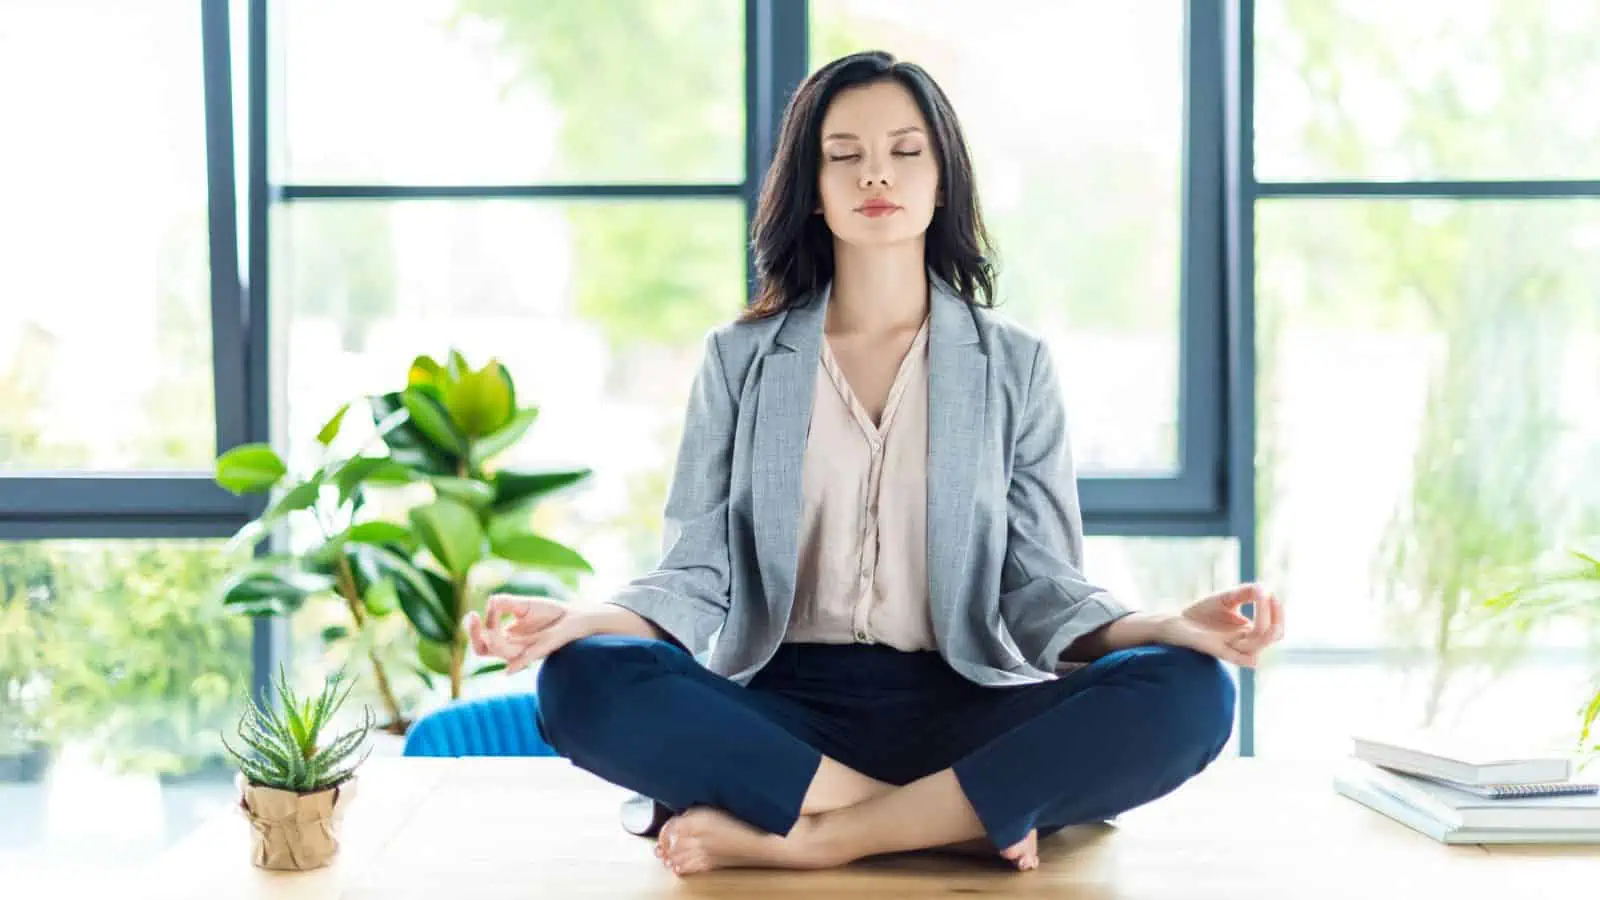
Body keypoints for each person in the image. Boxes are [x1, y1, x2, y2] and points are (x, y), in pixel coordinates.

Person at [464, 50, 1284, 876]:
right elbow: (694, 574)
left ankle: (824, 834)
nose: (875, 176)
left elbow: (1042, 592)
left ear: (942, 179)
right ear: (813, 191)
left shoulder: (1016, 364)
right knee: (582, 681)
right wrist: (577, 622)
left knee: (1194, 690)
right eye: (844, 156)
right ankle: (954, 819)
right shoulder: (738, 360)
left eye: (905, 150)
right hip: (784, 708)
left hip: (964, 702)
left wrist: (1166, 627)